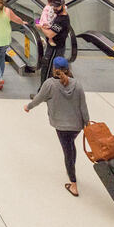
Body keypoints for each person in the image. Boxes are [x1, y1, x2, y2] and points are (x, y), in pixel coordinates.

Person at [24, 57, 90, 197]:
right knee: (71, 146)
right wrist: (87, 124)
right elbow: (83, 107)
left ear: (54, 69)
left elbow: (38, 99)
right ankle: (71, 168)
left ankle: (73, 184)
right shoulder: (77, 84)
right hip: (77, 126)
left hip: (61, 125)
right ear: (68, 69)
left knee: (68, 152)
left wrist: (28, 107)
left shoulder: (50, 84)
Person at [36, 0, 71, 89]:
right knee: (49, 70)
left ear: (63, 5)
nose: (55, 8)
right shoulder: (59, 16)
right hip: (56, 47)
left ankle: (44, 91)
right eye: (53, 6)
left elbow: (50, 34)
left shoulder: (61, 20)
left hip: (55, 49)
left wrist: (41, 27)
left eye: (57, 6)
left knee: (47, 69)